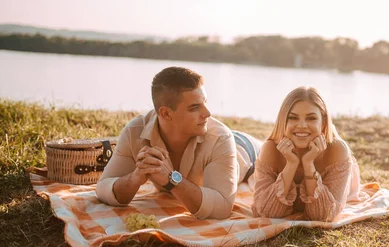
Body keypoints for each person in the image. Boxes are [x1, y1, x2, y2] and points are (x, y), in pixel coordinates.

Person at [96, 66, 260, 220]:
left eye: (205, 103)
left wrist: (172, 179)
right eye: (195, 107)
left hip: (246, 149)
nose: (207, 113)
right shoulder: (135, 131)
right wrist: (135, 178)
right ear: (166, 113)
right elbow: (102, 188)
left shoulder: (220, 138)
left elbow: (222, 208)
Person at [252, 86, 362, 222]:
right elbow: (265, 212)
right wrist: (291, 165)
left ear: (323, 123)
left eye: (311, 118)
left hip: (346, 181)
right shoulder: (270, 149)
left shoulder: (337, 151)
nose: (302, 125)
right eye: (293, 117)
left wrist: (308, 164)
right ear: (283, 120)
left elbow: (323, 215)